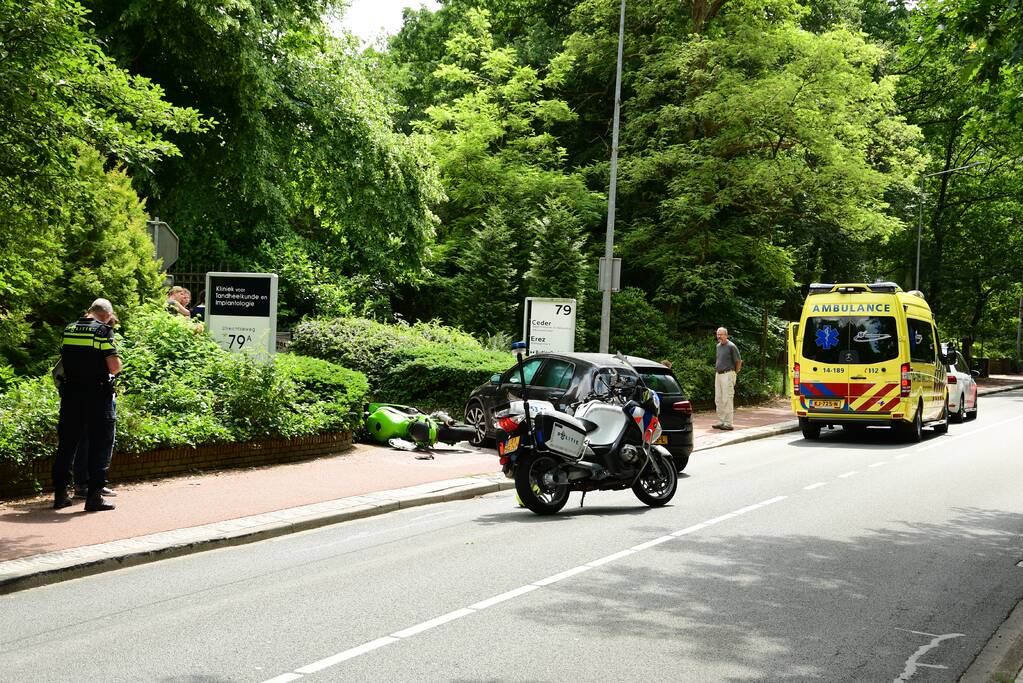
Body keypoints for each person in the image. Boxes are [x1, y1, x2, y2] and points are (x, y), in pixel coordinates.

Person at [52, 299, 121, 511]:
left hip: (71, 395)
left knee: (67, 446)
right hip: (97, 396)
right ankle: (94, 497)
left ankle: (60, 495)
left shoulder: (70, 329)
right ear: (107, 315)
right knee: (99, 445)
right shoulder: (102, 332)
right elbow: (114, 366)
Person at [713, 327, 742, 431]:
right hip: (718, 374)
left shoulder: (731, 346)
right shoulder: (718, 346)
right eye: (717, 334)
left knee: (727, 398)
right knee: (718, 398)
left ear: (726, 335)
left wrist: (734, 372)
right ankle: (721, 421)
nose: (719, 336)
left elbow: (738, 361)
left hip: (728, 374)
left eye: (721, 334)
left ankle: (728, 423)